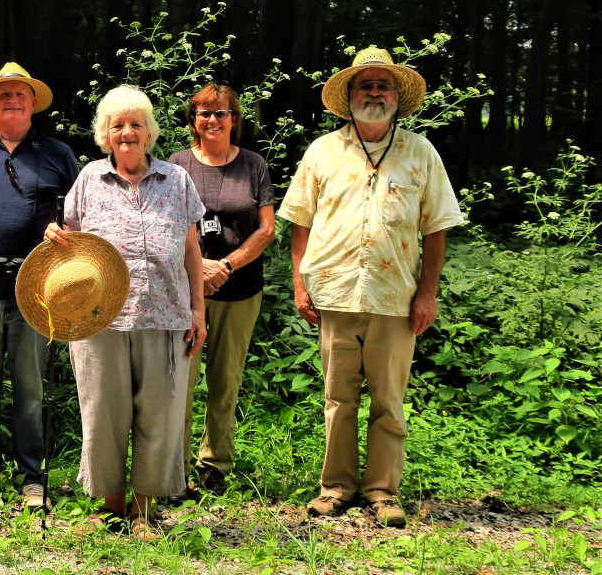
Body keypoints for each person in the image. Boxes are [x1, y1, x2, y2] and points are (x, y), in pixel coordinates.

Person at [278, 47, 464, 528]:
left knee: (389, 400)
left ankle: (382, 491)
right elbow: (300, 222)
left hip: (394, 297)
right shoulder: (323, 151)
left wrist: (427, 293)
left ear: (397, 97)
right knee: (339, 399)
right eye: (366, 85)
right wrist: (300, 284)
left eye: (384, 85)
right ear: (351, 95)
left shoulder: (420, 152)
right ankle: (336, 487)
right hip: (334, 293)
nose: (375, 93)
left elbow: (436, 228)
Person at [43, 84, 207, 539]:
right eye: (118, 125)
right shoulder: (90, 179)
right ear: (105, 133)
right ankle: (110, 505)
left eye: (136, 124)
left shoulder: (176, 180)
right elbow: (68, 241)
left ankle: (143, 511)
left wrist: (198, 309)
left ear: (150, 132)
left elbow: (192, 247)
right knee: (104, 413)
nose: (127, 132)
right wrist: (55, 234)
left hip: (166, 315)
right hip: (98, 319)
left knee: (160, 414)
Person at [0, 62, 80, 510]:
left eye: (21, 93)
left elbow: (80, 220)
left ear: (33, 102)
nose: (13, 100)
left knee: (30, 392)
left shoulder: (59, 153)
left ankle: (32, 478)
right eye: (4, 94)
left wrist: (63, 236)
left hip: (38, 292)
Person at [168, 83, 276, 496]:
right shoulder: (176, 165)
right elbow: (163, 225)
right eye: (203, 113)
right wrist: (200, 267)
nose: (212, 120)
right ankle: (173, 466)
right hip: (185, 290)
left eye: (221, 113)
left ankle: (214, 464)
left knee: (225, 381)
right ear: (193, 119)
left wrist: (226, 264)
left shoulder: (253, 165)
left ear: (235, 118)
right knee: (180, 380)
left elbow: (266, 229)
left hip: (240, 287)